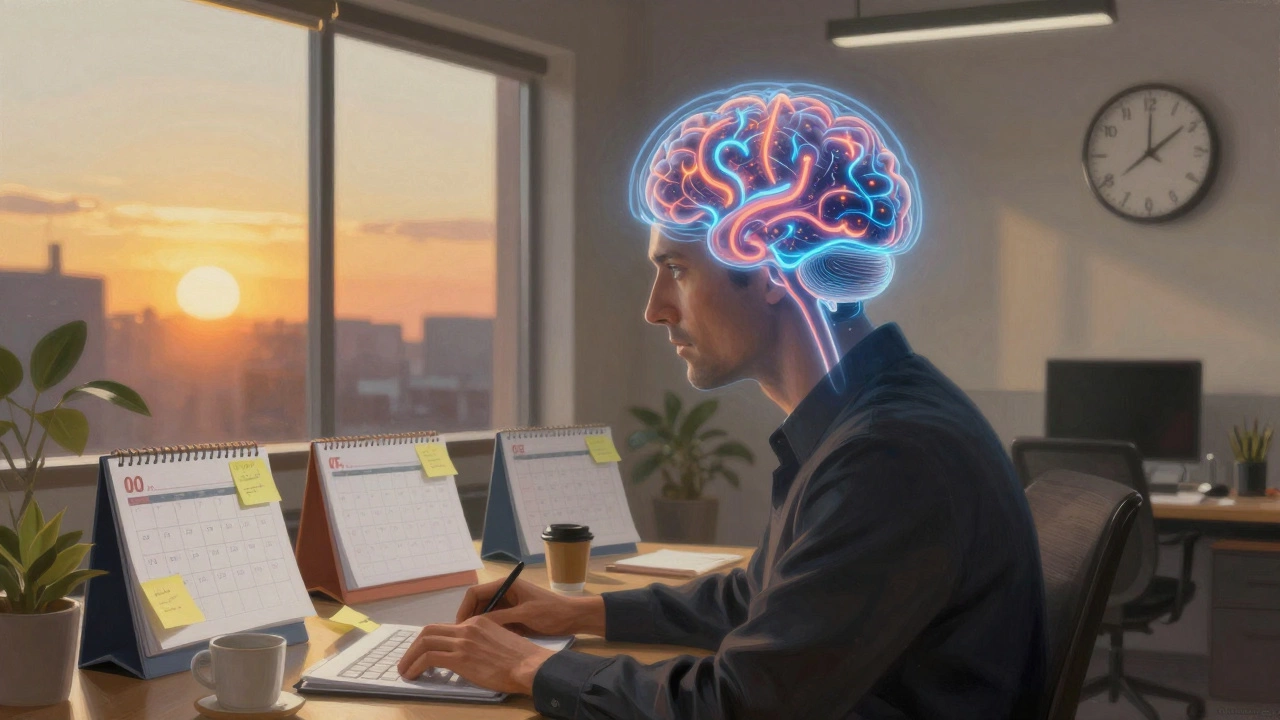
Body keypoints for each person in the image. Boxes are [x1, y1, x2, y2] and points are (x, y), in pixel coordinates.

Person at [398, 83, 1047, 719]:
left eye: (676, 269)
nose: (654, 309)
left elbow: (739, 703)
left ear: (769, 268)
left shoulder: (889, 456)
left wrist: (531, 667)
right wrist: (583, 612)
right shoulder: (872, 421)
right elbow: (767, 599)